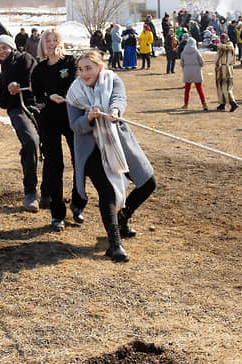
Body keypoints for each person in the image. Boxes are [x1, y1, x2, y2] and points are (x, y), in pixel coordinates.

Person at [66, 50, 156, 262]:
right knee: (108, 191)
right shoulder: (74, 93)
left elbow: (118, 99)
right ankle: (114, 244)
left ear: (100, 67)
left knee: (148, 182)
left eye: (89, 68)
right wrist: (88, 118)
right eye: (81, 69)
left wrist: (115, 111)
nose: (84, 73)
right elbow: (75, 126)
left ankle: (122, 219)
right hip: (90, 150)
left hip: (118, 142)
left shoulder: (113, 81)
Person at [31, 29, 79, 230]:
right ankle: (57, 213)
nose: (51, 44)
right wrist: (49, 98)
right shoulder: (39, 69)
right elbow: (37, 97)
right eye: (47, 41)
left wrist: (63, 95)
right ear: (43, 44)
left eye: (55, 40)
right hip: (49, 120)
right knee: (54, 165)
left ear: (61, 42)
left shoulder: (71, 62)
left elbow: (76, 84)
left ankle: (78, 203)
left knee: (79, 160)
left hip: (71, 118)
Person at [0, 35, 40, 212]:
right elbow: (1, 102)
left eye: (4, 47)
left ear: (12, 47)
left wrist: (22, 85)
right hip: (17, 109)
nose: (2, 51)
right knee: (30, 142)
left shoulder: (26, 59)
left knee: (50, 144)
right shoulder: (1, 75)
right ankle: (30, 192)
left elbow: (34, 79)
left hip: (37, 105)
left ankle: (49, 191)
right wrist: (8, 91)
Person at [180, 37, 208, 110]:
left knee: (187, 89)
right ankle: (204, 104)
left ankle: (186, 104)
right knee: (199, 88)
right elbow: (202, 62)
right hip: (196, 71)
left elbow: (181, 63)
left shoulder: (183, 52)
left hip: (187, 71)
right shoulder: (196, 52)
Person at [215, 32, 238, 111]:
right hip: (229, 68)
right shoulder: (231, 47)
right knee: (228, 86)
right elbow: (234, 59)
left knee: (223, 87)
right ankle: (222, 103)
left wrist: (217, 66)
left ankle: (232, 103)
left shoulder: (220, 47)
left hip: (222, 68)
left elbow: (217, 59)